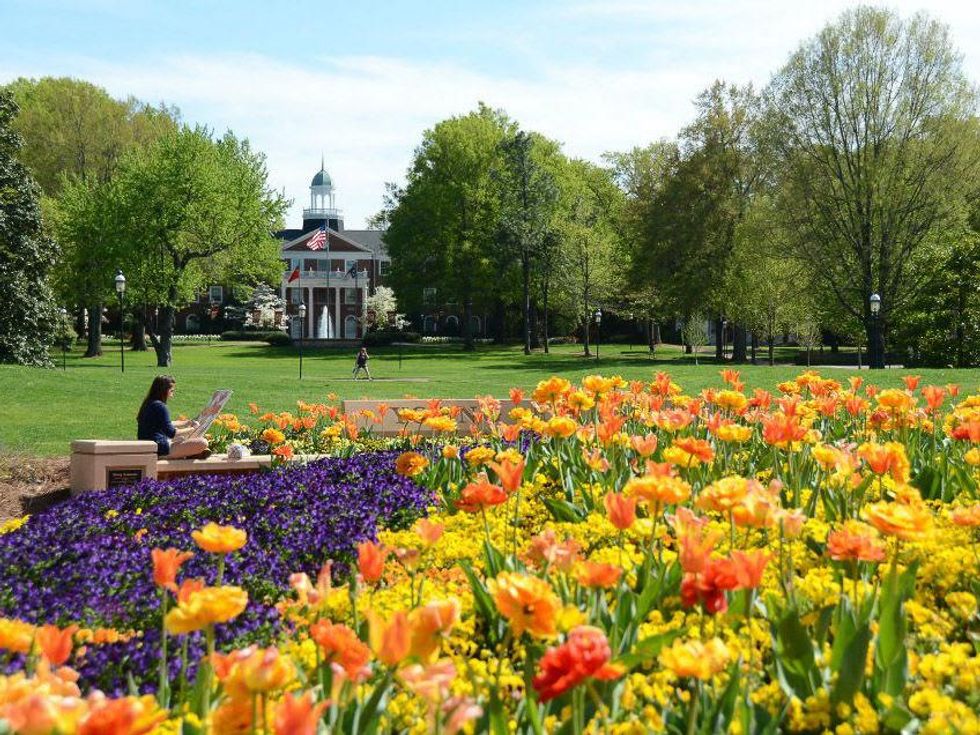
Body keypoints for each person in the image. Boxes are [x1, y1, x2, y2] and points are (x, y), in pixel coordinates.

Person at [137, 375, 211, 459]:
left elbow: (166, 424)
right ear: (164, 391)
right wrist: (192, 429)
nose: (172, 394)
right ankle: (185, 455)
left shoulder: (149, 403)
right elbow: (171, 433)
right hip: (159, 450)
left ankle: (189, 454)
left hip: (151, 446)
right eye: (171, 391)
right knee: (202, 442)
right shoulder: (160, 406)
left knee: (182, 438)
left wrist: (187, 422)